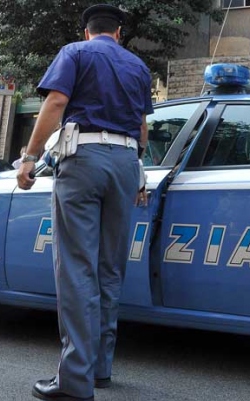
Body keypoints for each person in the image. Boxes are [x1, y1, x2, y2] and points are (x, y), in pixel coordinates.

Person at [16, 4, 153, 401]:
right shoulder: (139, 68)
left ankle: (74, 380)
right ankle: (99, 369)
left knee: (77, 267)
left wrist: (29, 156)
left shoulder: (75, 53)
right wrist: (137, 172)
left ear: (87, 31)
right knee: (110, 267)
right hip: (127, 164)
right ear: (120, 33)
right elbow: (142, 128)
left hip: (84, 161)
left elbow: (56, 102)